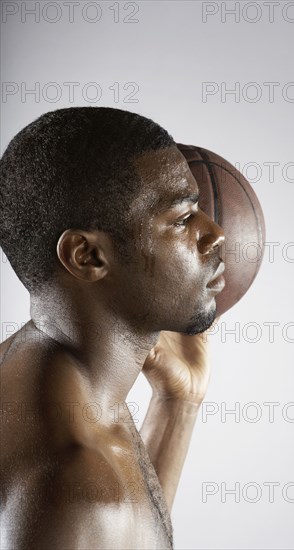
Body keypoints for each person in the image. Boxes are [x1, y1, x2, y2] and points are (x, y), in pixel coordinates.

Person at [0, 107, 225, 549]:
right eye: (181, 219)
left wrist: (178, 402)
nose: (215, 233)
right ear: (87, 256)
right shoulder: (72, 485)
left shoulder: (46, 372)